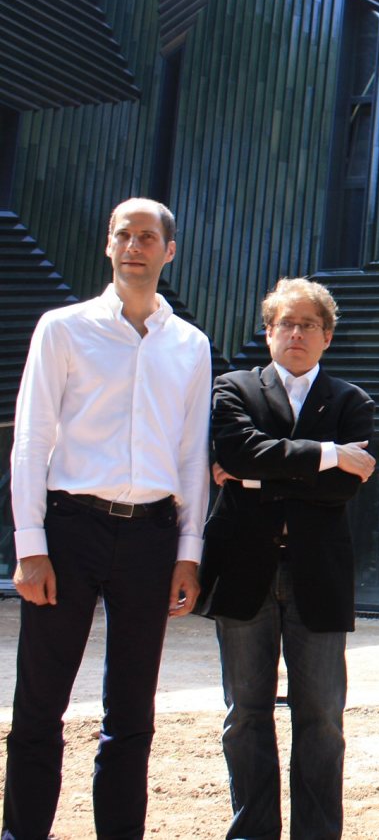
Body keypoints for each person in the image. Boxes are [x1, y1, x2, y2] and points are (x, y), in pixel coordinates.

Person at [4, 197, 211, 840]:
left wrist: (188, 551)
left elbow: (190, 454)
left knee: (132, 711)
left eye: (148, 236)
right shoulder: (62, 328)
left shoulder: (191, 344)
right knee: (41, 703)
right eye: (124, 234)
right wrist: (29, 544)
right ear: (108, 245)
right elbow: (32, 440)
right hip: (68, 531)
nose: (135, 246)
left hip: (151, 537)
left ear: (168, 251)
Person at [197, 278, 376, 840]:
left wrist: (256, 476)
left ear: (326, 336)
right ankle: (252, 832)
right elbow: (236, 450)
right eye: (285, 323)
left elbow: (340, 492)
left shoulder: (352, 402)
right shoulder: (232, 388)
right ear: (268, 331)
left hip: (318, 578)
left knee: (322, 718)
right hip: (243, 572)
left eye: (308, 325)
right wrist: (327, 455)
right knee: (244, 715)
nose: (296, 333)